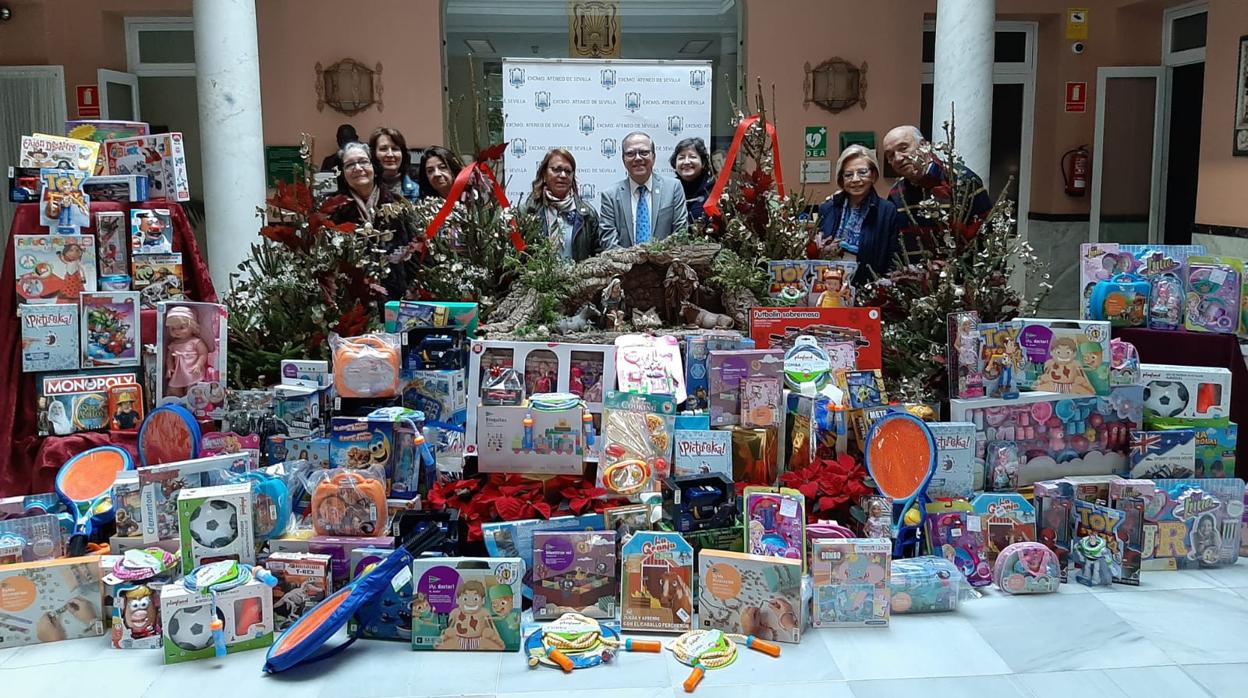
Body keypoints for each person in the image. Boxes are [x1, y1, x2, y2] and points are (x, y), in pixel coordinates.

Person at [881, 125, 993, 263]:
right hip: (913, 280)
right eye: (890, 155)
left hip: (960, 279)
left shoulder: (962, 181)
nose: (897, 158)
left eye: (903, 148)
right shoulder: (896, 193)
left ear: (923, 145)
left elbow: (987, 234)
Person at [328, 141, 419, 301]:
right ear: (342, 173)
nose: (357, 168)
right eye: (349, 165)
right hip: (352, 299)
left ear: (374, 168)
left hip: (398, 296)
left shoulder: (399, 204)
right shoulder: (332, 210)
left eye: (363, 161)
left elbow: (416, 250)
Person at [814, 145, 901, 285]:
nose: (855, 179)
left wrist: (885, 286)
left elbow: (894, 255)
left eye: (862, 172)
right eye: (848, 175)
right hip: (829, 286)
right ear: (841, 179)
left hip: (870, 288)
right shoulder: (828, 208)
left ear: (873, 175)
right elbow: (815, 249)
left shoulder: (886, 210)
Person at [600, 131, 688, 248]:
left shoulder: (673, 188)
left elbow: (680, 233)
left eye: (644, 152)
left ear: (654, 157)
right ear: (623, 160)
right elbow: (608, 241)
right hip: (624, 265)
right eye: (630, 153)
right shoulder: (610, 195)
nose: (637, 158)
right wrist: (632, 262)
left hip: (665, 264)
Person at [524, 148, 606, 262]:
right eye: (556, 169)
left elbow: (599, 255)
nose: (563, 175)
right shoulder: (528, 211)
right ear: (544, 173)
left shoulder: (587, 214)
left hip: (579, 279)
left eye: (568, 171)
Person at [369, 127, 419, 202]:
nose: (390, 154)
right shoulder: (366, 189)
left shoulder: (417, 190)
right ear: (373, 154)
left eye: (395, 149)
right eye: (383, 149)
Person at [670, 137, 714, 221]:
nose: (686, 162)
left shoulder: (713, 189)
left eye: (692, 157)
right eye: (681, 158)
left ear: (703, 163)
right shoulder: (669, 189)